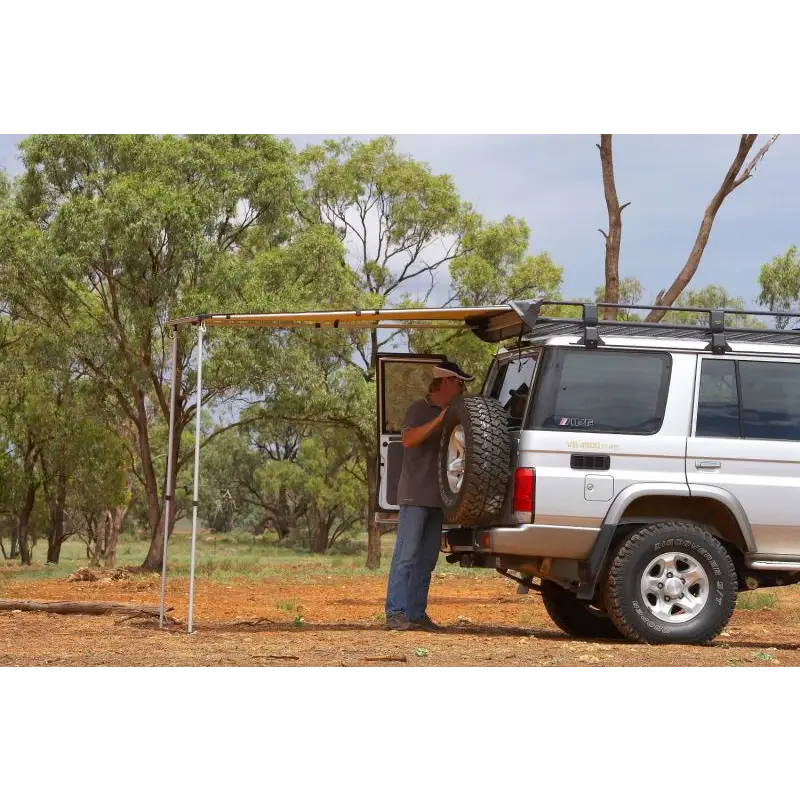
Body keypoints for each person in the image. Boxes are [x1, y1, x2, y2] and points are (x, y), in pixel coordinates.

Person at [384, 360, 475, 631]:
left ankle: (416, 613)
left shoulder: (456, 414)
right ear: (446, 381)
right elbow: (409, 440)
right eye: (459, 383)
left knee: (426, 560)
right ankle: (395, 613)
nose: (462, 388)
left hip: (438, 500)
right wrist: (440, 418)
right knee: (406, 556)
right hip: (415, 497)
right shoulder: (419, 409)